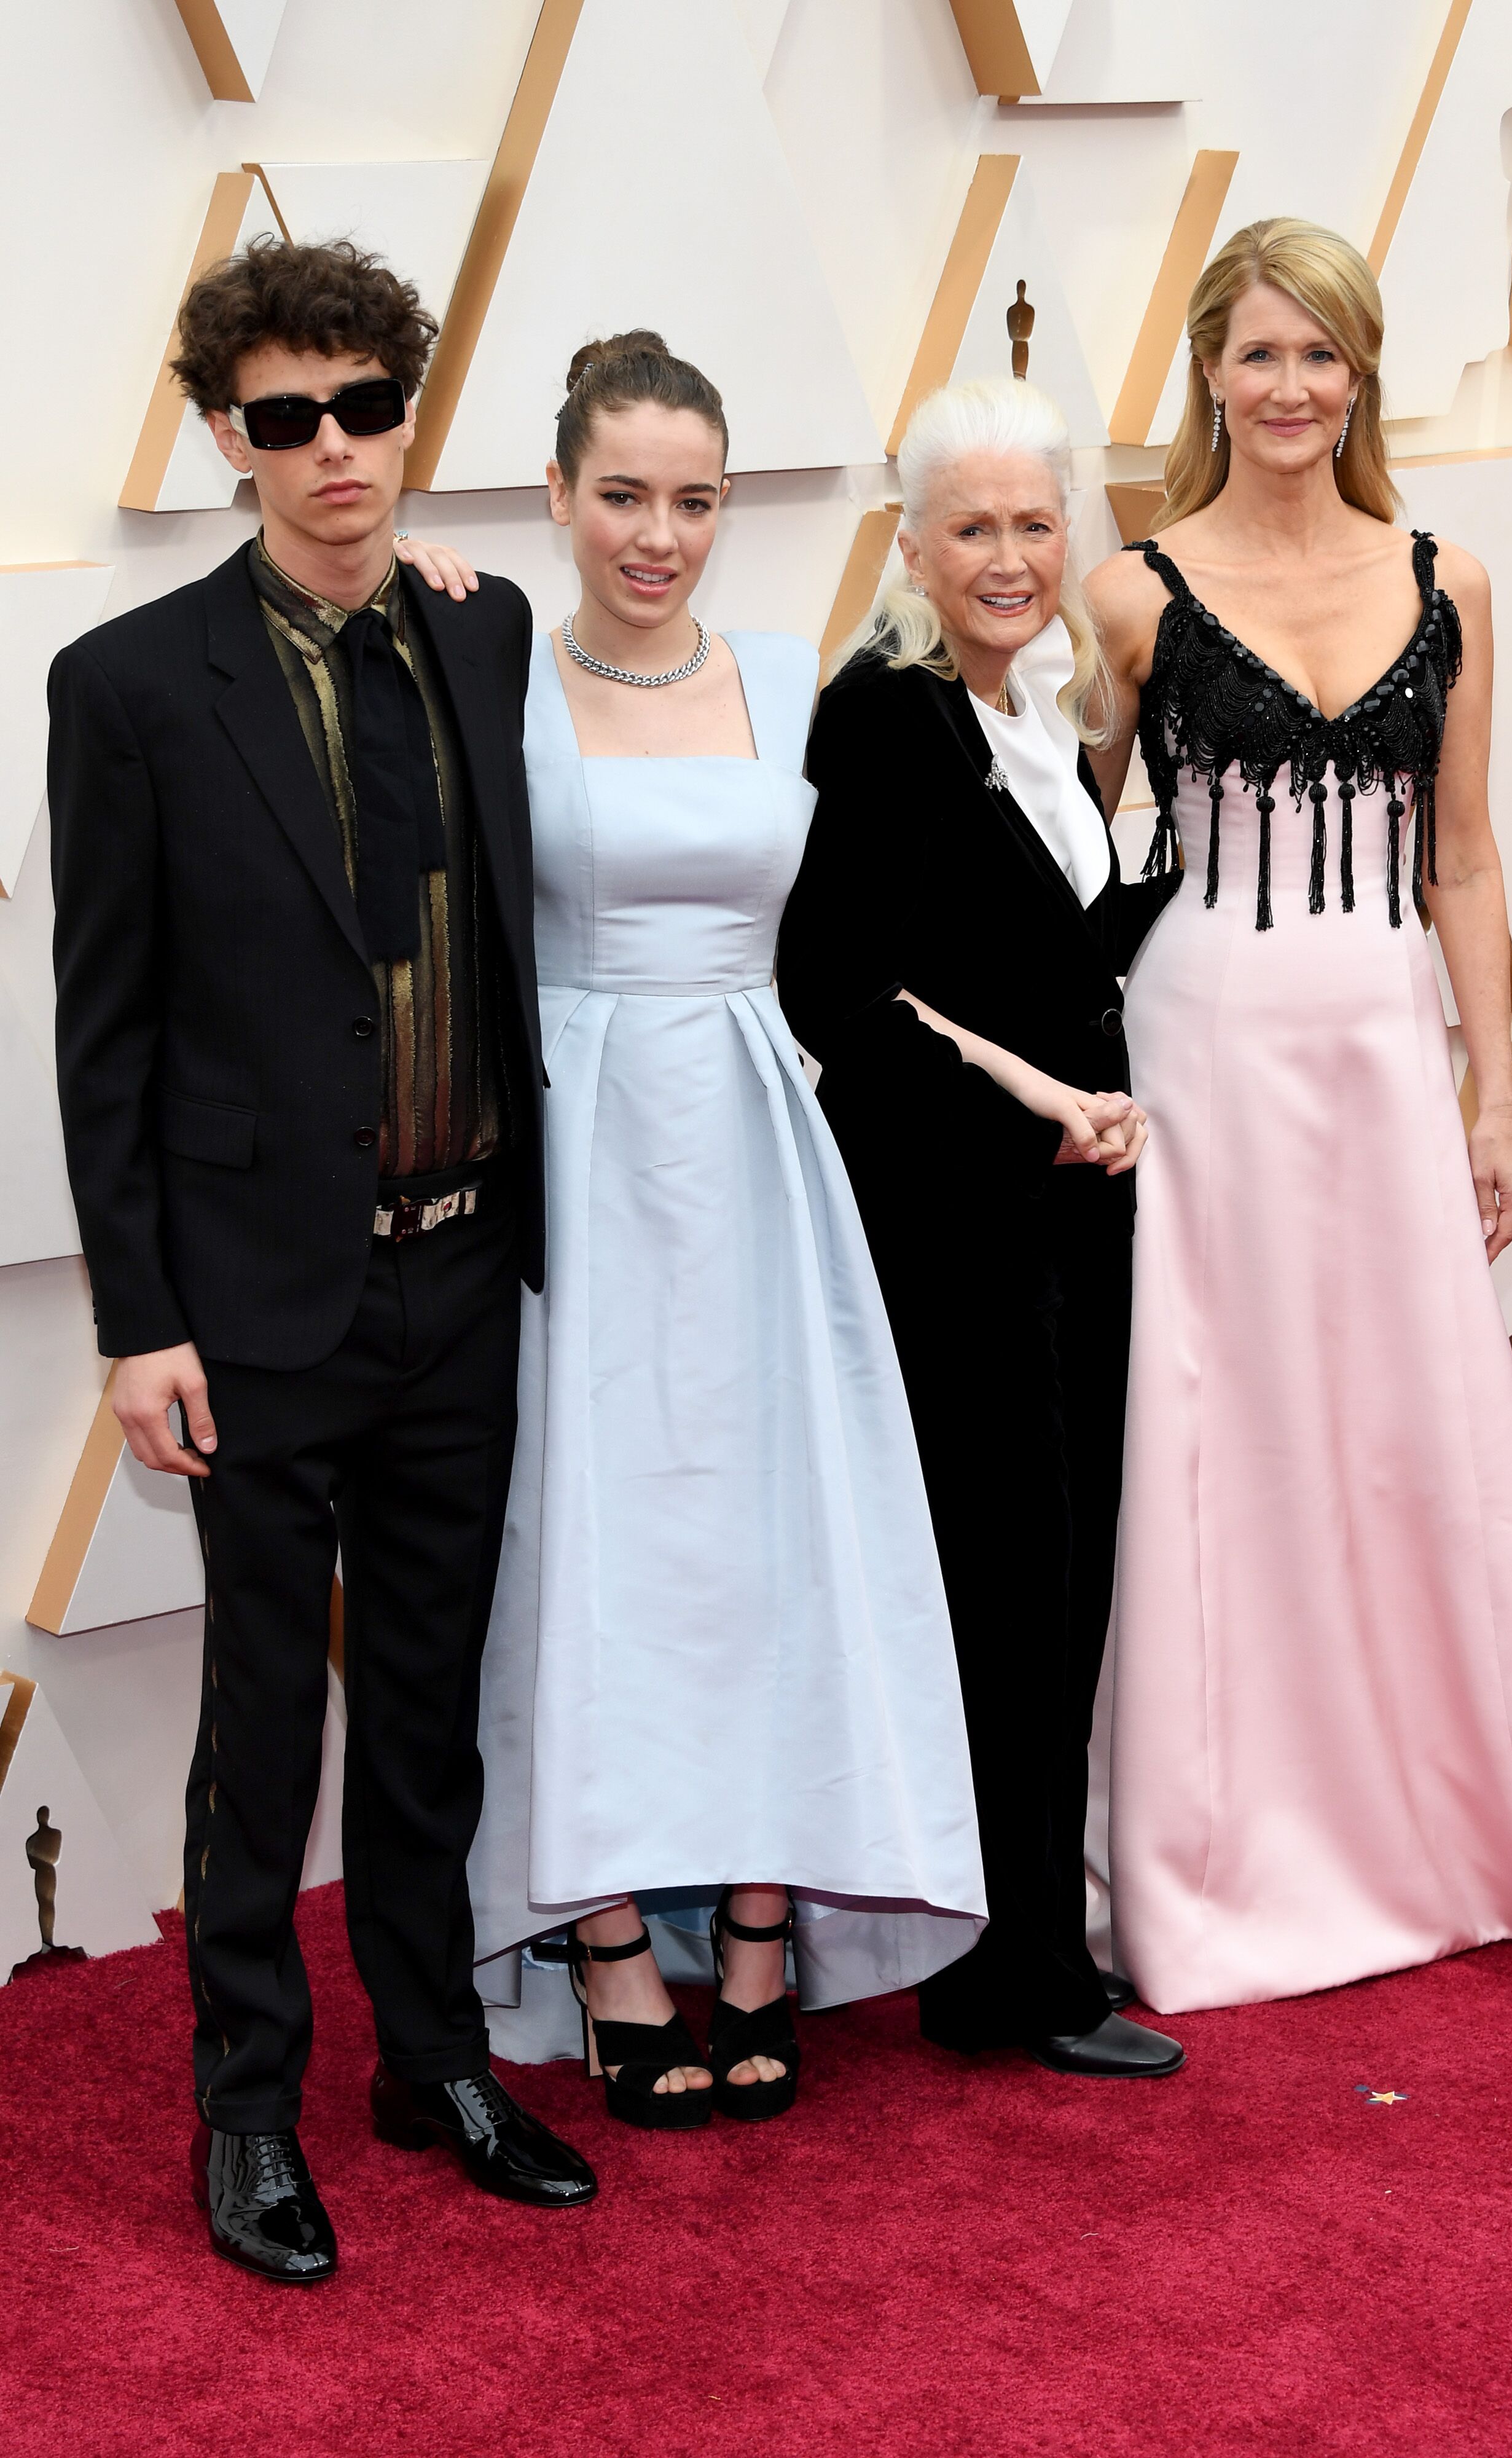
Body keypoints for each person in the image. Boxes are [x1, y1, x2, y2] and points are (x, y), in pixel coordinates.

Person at [47, 237, 596, 2285]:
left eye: (368, 408)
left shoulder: (485, 628)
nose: (335, 450)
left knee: (437, 1703)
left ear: (406, 416)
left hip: (464, 1270)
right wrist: (139, 1322)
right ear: (226, 438)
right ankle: (250, 2110)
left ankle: (431, 2059)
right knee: (265, 1723)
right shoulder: (124, 688)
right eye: (287, 418)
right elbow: (101, 1025)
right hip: (258, 1304)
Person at [1084, 216, 1512, 2014]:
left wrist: (1490, 1094)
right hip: (1196, 1045)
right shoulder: (1128, 592)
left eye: (1320, 356)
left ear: (1359, 377)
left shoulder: (1450, 578)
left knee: (1407, 1431)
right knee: (1218, 1433)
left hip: (1377, 1043)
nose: (1288, 388)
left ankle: (1450, 1831)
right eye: (1257, 353)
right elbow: (1066, 843)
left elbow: (1469, 854)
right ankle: (1213, 1858)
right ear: (1206, 369)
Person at [402, 331, 986, 2130]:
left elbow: (860, 939)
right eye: (624, 496)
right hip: (573, 1143)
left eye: (695, 501)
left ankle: (756, 1917)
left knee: (757, 1531)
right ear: (560, 494)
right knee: (576, 1538)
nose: (658, 535)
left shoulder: (793, 668)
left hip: (748, 1134)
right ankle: (595, 1937)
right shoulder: (485, 665)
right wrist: (427, 582)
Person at [775, 377, 1186, 2078]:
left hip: (1076, 1210)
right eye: (972, 529)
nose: (1008, 557)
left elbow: (1048, 946)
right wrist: (1038, 1099)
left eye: (1034, 524)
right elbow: (836, 989)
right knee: (1013, 1584)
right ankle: (1015, 1974)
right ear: (909, 544)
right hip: (960, 1223)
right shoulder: (884, 718)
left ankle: (1013, 1945)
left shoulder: (1027, 709)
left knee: (1061, 1570)